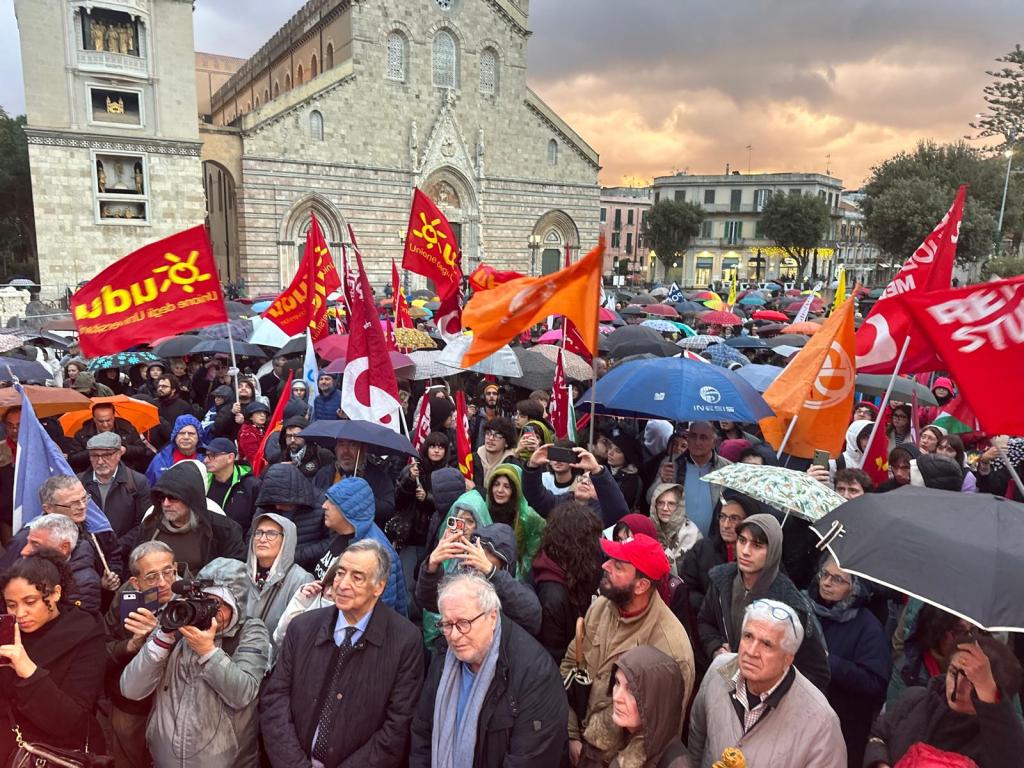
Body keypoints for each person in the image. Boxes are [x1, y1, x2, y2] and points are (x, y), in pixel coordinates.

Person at [260, 539, 423, 767]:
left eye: (357, 577)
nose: (342, 584)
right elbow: (275, 699)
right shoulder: (303, 627)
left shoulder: (405, 641)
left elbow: (397, 726)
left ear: (379, 587)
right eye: (340, 573)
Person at [120, 557, 270, 768]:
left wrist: (208, 652)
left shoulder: (251, 631)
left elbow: (243, 694)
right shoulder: (178, 622)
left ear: (237, 605)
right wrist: (162, 639)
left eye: (215, 604)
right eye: (201, 600)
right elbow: (131, 689)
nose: (205, 611)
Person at [562, 534, 695, 767]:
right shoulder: (601, 607)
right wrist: (572, 735)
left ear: (642, 585)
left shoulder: (671, 649)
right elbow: (570, 665)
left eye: (618, 566)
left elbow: (657, 734)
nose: (605, 566)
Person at [411, 573, 568, 768]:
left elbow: (529, 759)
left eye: (463, 623)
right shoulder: (444, 658)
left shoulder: (535, 674)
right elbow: (422, 734)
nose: (454, 636)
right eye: (447, 624)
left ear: (492, 616)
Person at [688, 599, 847, 768]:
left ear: (788, 658)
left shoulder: (822, 723)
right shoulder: (718, 671)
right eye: (748, 636)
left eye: (766, 644)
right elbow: (697, 734)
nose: (751, 651)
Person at [696, 513, 831, 692]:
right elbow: (706, 621)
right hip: (726, 684)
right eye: (742, 541)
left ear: (773, 551)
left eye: (757, 545)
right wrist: (715, 647)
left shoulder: (790, 604)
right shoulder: (721, 581)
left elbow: (817, 670)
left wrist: (774, 686)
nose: (745, 551)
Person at [0, 551, 108, 765]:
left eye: (30, 602)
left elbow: (70, 720)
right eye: (11, 605)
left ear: (56, 593)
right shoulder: (6, 630)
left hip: (56, 755)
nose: (20, 613)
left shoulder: (85, 633)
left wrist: (28, 670)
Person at [867, 635, 1024, 768]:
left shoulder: (998, 738)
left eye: (972, 682)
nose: (958, 687)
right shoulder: (914, 699)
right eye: (953, 672)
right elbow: (879, 735)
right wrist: (880, 763)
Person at [808, 555, 890, 768]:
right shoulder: (808, 609)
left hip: (843, 728)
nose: (826, 582)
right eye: (824, 574)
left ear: (855, 588)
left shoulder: (868, 628)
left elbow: (875, 683)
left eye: (837, 579)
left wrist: (828, 662)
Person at [103, 541, 177, 768]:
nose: (163, 582)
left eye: (168, 572)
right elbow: (103, 648)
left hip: (176, 700)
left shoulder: (192, 594)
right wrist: (131, 645)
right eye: (152, 577)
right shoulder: (126, 598)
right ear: (136, 582)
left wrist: (160, 634)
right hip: (131, 701)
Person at [417, 521, 542, 638]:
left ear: (504, 562)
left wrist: (491, 571)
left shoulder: (513, 588)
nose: (480, 554)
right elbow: (428, 601)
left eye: (489, 551)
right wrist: (432, 566)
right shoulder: (464, 581)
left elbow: (532, 618)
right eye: (477, 547)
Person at [135, 460, 246, 575]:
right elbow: (135, 570)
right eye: (161, 497)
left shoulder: (223, 529)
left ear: (191, 498)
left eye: (173, 497)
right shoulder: (149, 527)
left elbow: (236, 575)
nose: (166, 503)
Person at [315, 477, 407, 615]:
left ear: (348, 510)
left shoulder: (377, 552)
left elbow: (381, 610)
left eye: (332, 502)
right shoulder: (343, 534)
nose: (324, 506)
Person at [531, 500, 603, 662]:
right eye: (592, 539)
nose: (597, 545)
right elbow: (553, 655)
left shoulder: (573, 569)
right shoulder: (552, 595)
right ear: (578, 543)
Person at [600, 646, 693, 768]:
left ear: (655, 702)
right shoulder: (617, 734)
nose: (617, 697)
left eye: (632, 690)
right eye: (617, 683)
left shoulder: (676, 764)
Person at [679, 490, 758, 630]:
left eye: (734, 518)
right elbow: (686, 590)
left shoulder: (759, 558)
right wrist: (713, 607)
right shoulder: (703, 549)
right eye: (722, 517)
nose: (726, 525)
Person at [78, 431, 151, 560]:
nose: (100, 461)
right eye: (94, 455)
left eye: (106, 455)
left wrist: (118, 547)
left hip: (125, 557)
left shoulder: (137, 482)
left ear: (119, 454)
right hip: (90, 556)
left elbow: (144, 524)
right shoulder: (78, 484)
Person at [245, 512, 312, 649]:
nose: (262, 539)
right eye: (258, 533)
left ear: (287, 540)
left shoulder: (301, 580)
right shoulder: (240, 573)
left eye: (271, 534)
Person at [659, 421, 731, 537]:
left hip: (713, 542)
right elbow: (650, 499)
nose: (697, 442)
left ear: (714, 442)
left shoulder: (726, 469)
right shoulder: (671, 464)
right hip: (676, 540)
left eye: (703, 437)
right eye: (693, 436)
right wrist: (662, 481)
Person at [255, 462, 328, 572]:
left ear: (295, 495)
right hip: (268, 569)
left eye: (281, 502)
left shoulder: (323, 504)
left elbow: (331, 543)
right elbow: (252, 536)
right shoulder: (267, 504)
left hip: (306, 570)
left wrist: (293, 556)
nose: (277, 506)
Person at [313, 438, 396, 530]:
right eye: (341, 445)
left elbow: (388, 510)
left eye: (352, 445)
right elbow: (314, 505)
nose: (345, 451)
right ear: (335, 449)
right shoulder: (324, 474)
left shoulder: (378, 476)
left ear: (363, 449)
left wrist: (361, 499)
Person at [484, 463, 545, 579]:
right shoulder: (485, 509)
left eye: (507, 486)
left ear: (516, 489)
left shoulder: (528, 518)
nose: (499, 490)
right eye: (496, 485)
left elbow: (532, 556)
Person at [68, 401, 152, 474]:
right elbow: (73, 459)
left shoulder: (127, 429)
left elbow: (142, 450)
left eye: (108, 420)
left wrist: (125, 450)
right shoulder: (82, 434)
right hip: (93, 474)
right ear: (94, 419)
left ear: (114, 416)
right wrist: (93, 452)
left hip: (125, 471)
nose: (105, 425)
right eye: (100, 421)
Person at [204, 437, 261, 538]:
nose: (206, 460)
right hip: (206, 547)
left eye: (212, 455)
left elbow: (257, 524)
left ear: (230, 457)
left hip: (238, 549)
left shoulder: (252, 486)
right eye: (206, 455)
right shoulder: (202, 482)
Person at [648, 482, 701, 575]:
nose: (665, 508)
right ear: (654, 505)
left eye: (671, 504)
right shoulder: (645, 527)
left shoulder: (691, 532)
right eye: (660, 503)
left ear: (679, 506)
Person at [145, 414, 205, 485]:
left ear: (199, 437)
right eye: (181, 433)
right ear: (175, 436)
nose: (186, 437)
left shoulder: (207, 459)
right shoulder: (161, 459)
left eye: (191, 433)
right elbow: (148, 487)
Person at [472, 416, 517, 488]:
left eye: (497, 435)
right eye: (488, 433)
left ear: (506, 443)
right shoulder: (472, 458)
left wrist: (475, 489)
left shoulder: (512, 465)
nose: (491, 438)